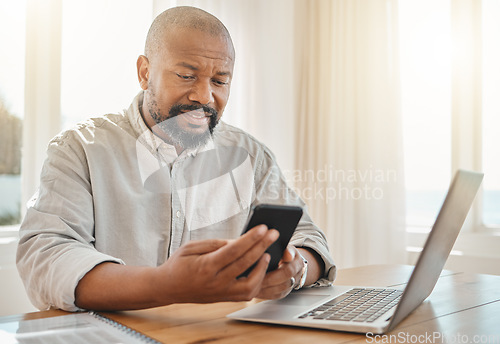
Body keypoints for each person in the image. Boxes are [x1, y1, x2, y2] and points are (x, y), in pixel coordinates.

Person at [16, 6, 336, 312]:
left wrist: (296, 270)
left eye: (220, 81)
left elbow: (311, 240)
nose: (204, 96)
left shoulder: (251, 156)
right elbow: (47, 256)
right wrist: (164, 284)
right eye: (186, 75)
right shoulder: (80, 149)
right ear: (145, 72)